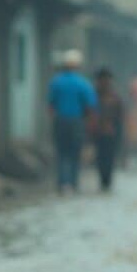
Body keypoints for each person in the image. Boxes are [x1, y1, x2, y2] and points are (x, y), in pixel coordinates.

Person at [46, 50, 98, 193]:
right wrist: (89, 123)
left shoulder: (56, 82)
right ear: (78, 66)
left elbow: (50, 106)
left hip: (60, 121)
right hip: (77, 122)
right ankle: (74, 184)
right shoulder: (83, 84)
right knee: (75, 153)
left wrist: (54, 120)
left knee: (62, 153)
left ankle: (62, 184)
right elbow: (90, 106)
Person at [91, 68, 126, 191]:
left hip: (111, 132)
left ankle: (107, 180)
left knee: (109, 157)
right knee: (101, 157)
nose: (105, 82)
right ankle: (103, 180)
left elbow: (120, 117)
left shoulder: (115, 97)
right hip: (98, 132)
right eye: (102, 80)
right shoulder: (93, 96)